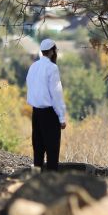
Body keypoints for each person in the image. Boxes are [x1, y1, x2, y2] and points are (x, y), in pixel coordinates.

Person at [26, 38, 67, 171]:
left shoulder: (33, 66)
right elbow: (56, 95)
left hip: (36, 113)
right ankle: (51, 182)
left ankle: (36, 180)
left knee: (38, 150)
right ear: (51, 51)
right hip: (50, 114)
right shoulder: (52, 68)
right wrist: (61, 118)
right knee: (52, 151)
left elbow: (30, 86)